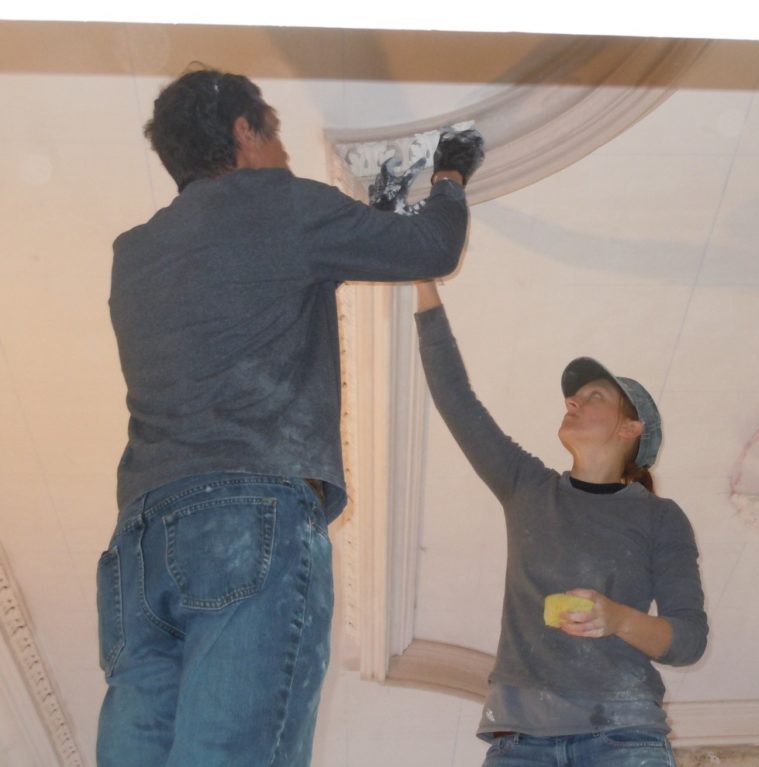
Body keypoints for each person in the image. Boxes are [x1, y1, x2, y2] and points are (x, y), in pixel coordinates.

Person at [98, 67, 483, 767]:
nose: (284, 152)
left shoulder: (135, 253)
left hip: (140, 544)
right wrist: (450, 175)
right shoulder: (277, 204)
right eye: (275, 134)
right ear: (245, 132)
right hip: (241, 523)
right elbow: (432, 247)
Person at [414, 281, 708, 766]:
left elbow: (689, 640)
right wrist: (423, 286)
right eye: (573, 398)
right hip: (519, 742)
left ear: (630, 429)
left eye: (594, 396)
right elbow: (455, 397)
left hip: (623, 735)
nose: (573, 402)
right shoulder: (527, 486)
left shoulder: (660, 517)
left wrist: (617, 619)